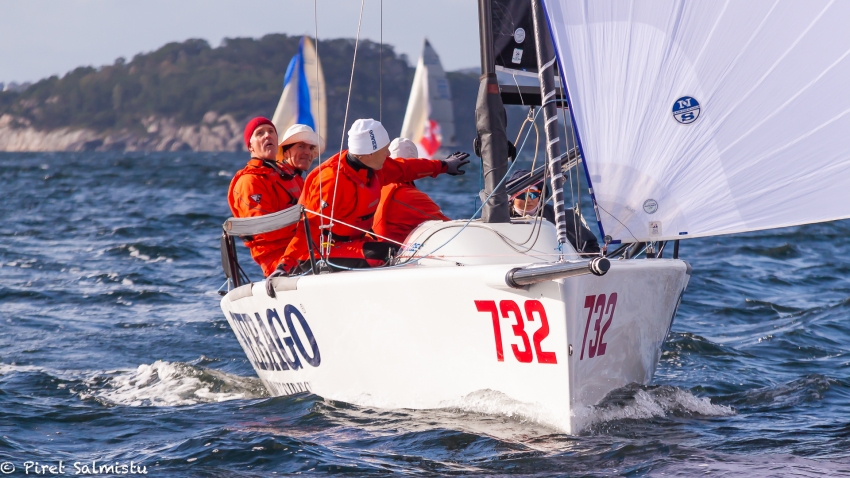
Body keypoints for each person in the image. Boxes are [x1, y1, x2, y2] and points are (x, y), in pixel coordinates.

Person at [279, 119, 469, 273]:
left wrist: (444, 166)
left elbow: (406, 168)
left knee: (404, 252)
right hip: (322, 252)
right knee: (386, 254)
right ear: (366, 154)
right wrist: (285, 265)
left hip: (356, 243)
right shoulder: (331, 182)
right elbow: (308, 231)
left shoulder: (375, 166)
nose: (388, 153)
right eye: (384, 150)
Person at [227, 119, 323, 276]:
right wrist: (308, 222)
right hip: (280, 261)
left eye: (271, 132)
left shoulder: (287, 175)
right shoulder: (249, 181)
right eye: (260, 133)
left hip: (305, 250)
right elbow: (264, 230)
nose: (267, 135)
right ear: (250, 146)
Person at [372, 138, 451, 244]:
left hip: (371, 251)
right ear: (415, 166)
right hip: (391, 255)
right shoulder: (410, 197)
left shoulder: (372, 187)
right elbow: (447, 226)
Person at [508, 169, 600, 254]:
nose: (528, 200)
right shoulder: (498, 217)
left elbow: (592, 247)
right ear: (512, 198)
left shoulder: (563, 217)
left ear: (540, 195)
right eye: (522, 195)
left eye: (533, 194)